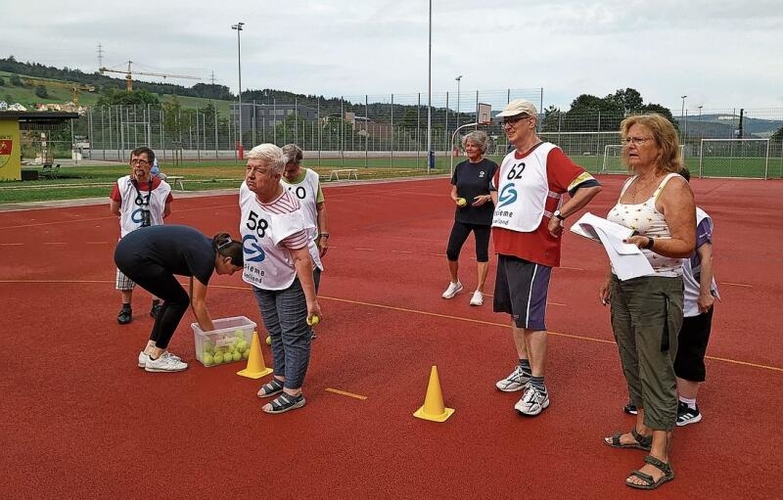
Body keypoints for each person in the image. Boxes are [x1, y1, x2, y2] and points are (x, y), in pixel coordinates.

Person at [599, 113, 696, 490]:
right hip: (625, 285)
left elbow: (686, 245)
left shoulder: (673, 187)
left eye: (639, 140)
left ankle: (660, 455)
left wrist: (650, 242)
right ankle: (642, 428)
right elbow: (620, 235)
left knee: (657, 367)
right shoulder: (630, 183)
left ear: (662, 145)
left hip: (657, 289)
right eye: (628, 140)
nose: (630, 146)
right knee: (632, 360)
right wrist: (610, 275)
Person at [491, 99, 602, 416]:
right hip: (507, 243)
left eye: (515, 119)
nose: (508, 125)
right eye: (505, 121)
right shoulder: (510, 158)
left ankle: (538, 388)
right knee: (515, 314)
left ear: (531, 121)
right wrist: (502, 209)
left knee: (532, 318)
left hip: (535, 247)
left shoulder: (549, 154)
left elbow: (588, 186)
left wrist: (560, 214)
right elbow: (495, 186)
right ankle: (524, 369)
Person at [240, 143, 323, 414]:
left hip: (290, 279)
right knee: (274, 331)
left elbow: (302, 259)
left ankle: (293, 392)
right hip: (262, 275)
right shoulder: (246, 191)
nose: (250, 175)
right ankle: (280, 377)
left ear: (276, 176)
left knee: (293, 334)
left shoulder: (288, 211)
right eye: (248, 168)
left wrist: (312, 301)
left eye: (259, 170)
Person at [114, 225, 244, 372]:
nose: (231, 274)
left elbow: (194, 298)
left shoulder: (207, 248)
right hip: (135, 256)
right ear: (227, 260)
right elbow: (198, 304)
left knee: (174, 298)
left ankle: (150, 351)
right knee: (178, 300)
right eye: (234, 270)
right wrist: (217, 339)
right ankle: (157, 356)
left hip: (127, 249)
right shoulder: (205, 259)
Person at [110, 147, 173, 325]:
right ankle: (126, 308)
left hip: (154, 240)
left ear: (151, 165)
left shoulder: (163, 188)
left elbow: (166, 211)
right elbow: (114, 208)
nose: (138, 165)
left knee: (157, 273)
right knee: (125, 275)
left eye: (142, 161)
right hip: (129, 239)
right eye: (134, 161)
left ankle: (156, 304)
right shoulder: (122, 184)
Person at [442, 130, 498, 306]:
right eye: (467, 145)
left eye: (473, 145)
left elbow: (498, 191)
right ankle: (455, 283)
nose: (469, 148)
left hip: (483, 217)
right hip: (463, 216)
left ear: (482, 148)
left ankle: (479, 290)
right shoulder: (461, 167)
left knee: (481, 254)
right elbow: (454, 190)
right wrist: (455, 198)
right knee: (451, 251)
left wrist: (487, 198)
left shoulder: (491, 167)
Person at [281, 144, 328, 338]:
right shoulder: (275, 177)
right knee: (285, 283)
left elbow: (321, 207)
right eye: (283, 169)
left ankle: (306, 322)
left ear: (299, 164)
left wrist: (324, 235)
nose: (286, 173)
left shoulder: (312, 178)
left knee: (311, 280)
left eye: (290, 170)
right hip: (282, 240)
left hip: (308, 239)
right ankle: (286, 325)